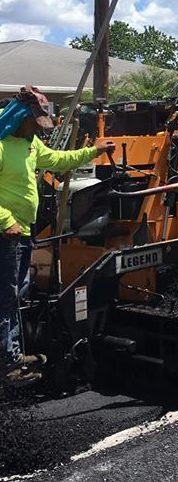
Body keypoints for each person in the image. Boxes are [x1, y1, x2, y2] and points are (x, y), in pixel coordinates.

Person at [0, 86, 115, 387]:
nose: (37, 131)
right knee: (7, 295)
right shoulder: (1, 145)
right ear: (20, 119)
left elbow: (59, 160)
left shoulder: (30, 144)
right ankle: (8, 361)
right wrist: (6, 219)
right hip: (6, 233)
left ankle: (11, 352)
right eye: (33, 124)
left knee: (17, 292)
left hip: (23, 232)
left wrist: (95, 151)